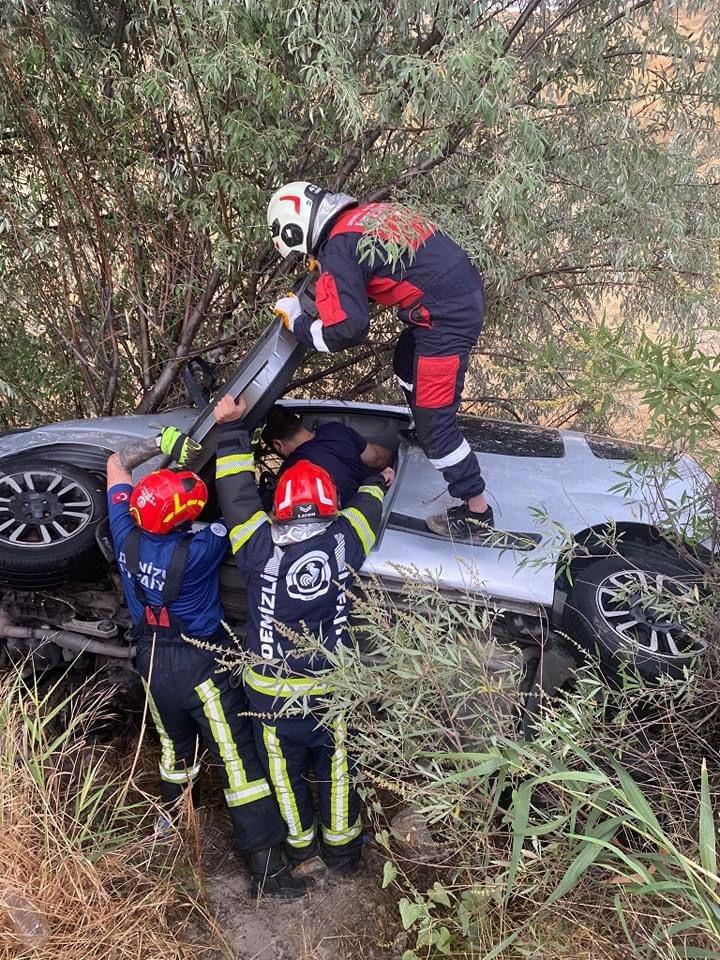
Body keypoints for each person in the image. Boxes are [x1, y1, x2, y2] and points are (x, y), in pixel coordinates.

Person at [106, 426, 307, 900]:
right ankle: (267, 871)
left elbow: (117, 464)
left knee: (175, 751)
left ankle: (174, 827)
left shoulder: (123, 532)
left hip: (151, 662)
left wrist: (160, 446)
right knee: (237, 760)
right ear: (184, 519)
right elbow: (239, 514)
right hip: (203, 666)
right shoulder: (204, 546)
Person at [213, 393, 388, 875]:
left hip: (270, 697)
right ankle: (344, 852)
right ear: (330, 506)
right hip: (331, 692)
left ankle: (301, 850)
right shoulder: (345, 540)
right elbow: (369, 505)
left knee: (283, 775)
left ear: (281, 507)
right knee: (336, 771)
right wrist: (376, 480)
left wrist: (231, 432)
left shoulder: (255, 543)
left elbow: (236, 494)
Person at [266, 181, 491, 542]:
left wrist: (298, 320)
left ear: (297, 230)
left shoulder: (337, 248)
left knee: (437, 426)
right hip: (449, 300)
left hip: (445, 317)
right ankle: (426, 424)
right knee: (405, 363)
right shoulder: (358, 218)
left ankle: (477, 511)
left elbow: (347, 330)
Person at [261, 404, 393, 508]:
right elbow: (377, 457)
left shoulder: (290, 473)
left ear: (278, 444)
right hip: (375, 502)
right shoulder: (336, 430)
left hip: (347, 525)